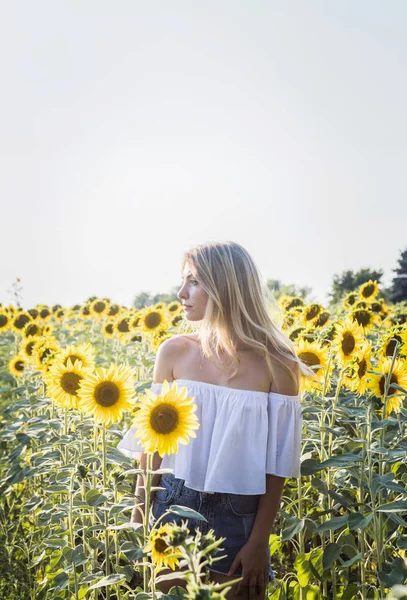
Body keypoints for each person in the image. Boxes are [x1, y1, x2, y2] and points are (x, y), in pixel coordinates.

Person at [118, 241, 306, 600]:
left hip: (238, 515)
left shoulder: (278, 363)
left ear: (225, 287)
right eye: (183, 281)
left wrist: (259, 542)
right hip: (171, 502)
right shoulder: (174, 351)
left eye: (194, 282)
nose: (180, 293)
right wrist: (138, 516)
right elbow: (154, 444)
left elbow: (278, 464)